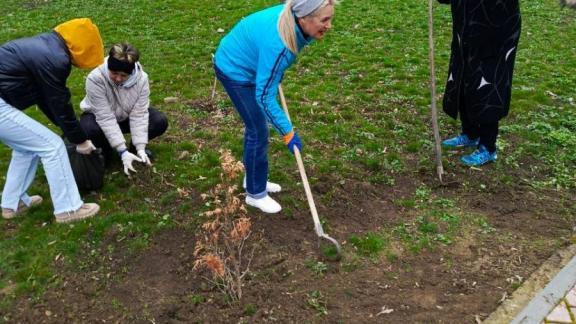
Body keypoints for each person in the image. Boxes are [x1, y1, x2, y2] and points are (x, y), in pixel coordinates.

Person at [214, 0, 336, 213]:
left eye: (330, 18)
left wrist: (273, 73)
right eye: (324, 20)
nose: (329, 25)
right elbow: (263, 97)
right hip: (235, 69)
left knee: (257, 127)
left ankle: (253, 179)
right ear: (303, 18)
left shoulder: (292, 17)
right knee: (258, 129)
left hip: (253, 62)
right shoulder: (280, 44)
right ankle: (255, 194)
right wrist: (288, 132)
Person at [0, 18, 102, 223]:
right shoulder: (55, 58)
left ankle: (12, 203)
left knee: (27, 147)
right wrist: (80, 140)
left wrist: (69, 131)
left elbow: (46, 100)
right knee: (52, 146)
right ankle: (69, 209)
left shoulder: (45, 47)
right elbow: (60, 103)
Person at [438, 0, 522, 166]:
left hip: (495, 32)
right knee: (463, 77)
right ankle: (470, 133)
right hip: (466, 29)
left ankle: (488, 147)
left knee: (488, 86)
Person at [79, 43, 168, 175]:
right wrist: (121, 150)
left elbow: (139, 114)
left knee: (159, 121)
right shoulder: (95, 78)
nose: (118, 79)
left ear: (131, 73)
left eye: (124, 75)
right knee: (88, 129)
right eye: (114, 73)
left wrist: (140, 147)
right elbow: (105, 116)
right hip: (98, 118)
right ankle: (106, 151)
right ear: (109, 66)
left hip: (126, 117)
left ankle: (135, 151)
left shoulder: (142, 79)